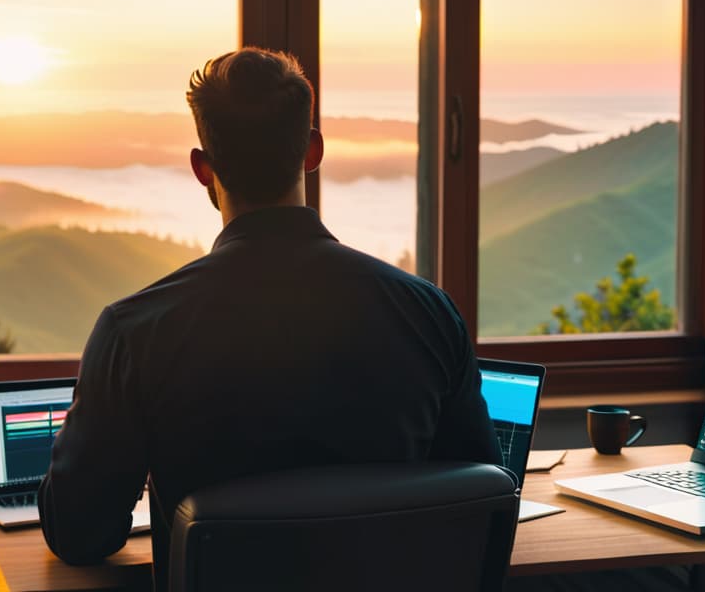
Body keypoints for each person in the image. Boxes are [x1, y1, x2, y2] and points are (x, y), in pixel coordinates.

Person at [39, 47, 502, 591]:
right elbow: (483, 498)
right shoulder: (428, 313)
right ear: (312, 150)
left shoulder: (137, 330)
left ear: (202, 168)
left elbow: (79, 535)